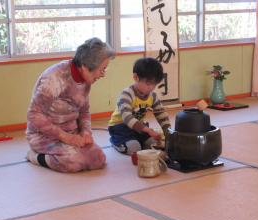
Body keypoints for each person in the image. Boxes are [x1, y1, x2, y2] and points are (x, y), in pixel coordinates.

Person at [26, 37, 115, 172]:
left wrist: (85, 132)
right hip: (44, 136)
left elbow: (84, 111)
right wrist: (66, 137)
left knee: (98, 158)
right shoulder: (54, 78)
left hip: (72, 133)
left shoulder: (86, 80)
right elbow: (34, 115)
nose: (103, 74)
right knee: (73, 162)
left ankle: (67, 151)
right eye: (102, 69)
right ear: (85, 67)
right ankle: (35, 156)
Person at [108, 57, 171, 155]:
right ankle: (115, 141)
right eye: (148, 83)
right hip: (120, 127)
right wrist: (148, 130)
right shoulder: (126, 94)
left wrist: (168, 132)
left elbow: (161, 114)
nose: (151, 88)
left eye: (154, 84)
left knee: (153, 144)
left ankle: (135, 140)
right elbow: (127, 118)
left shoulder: (153, 96)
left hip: (138, 127)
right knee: (134, 148)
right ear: (136, 77)